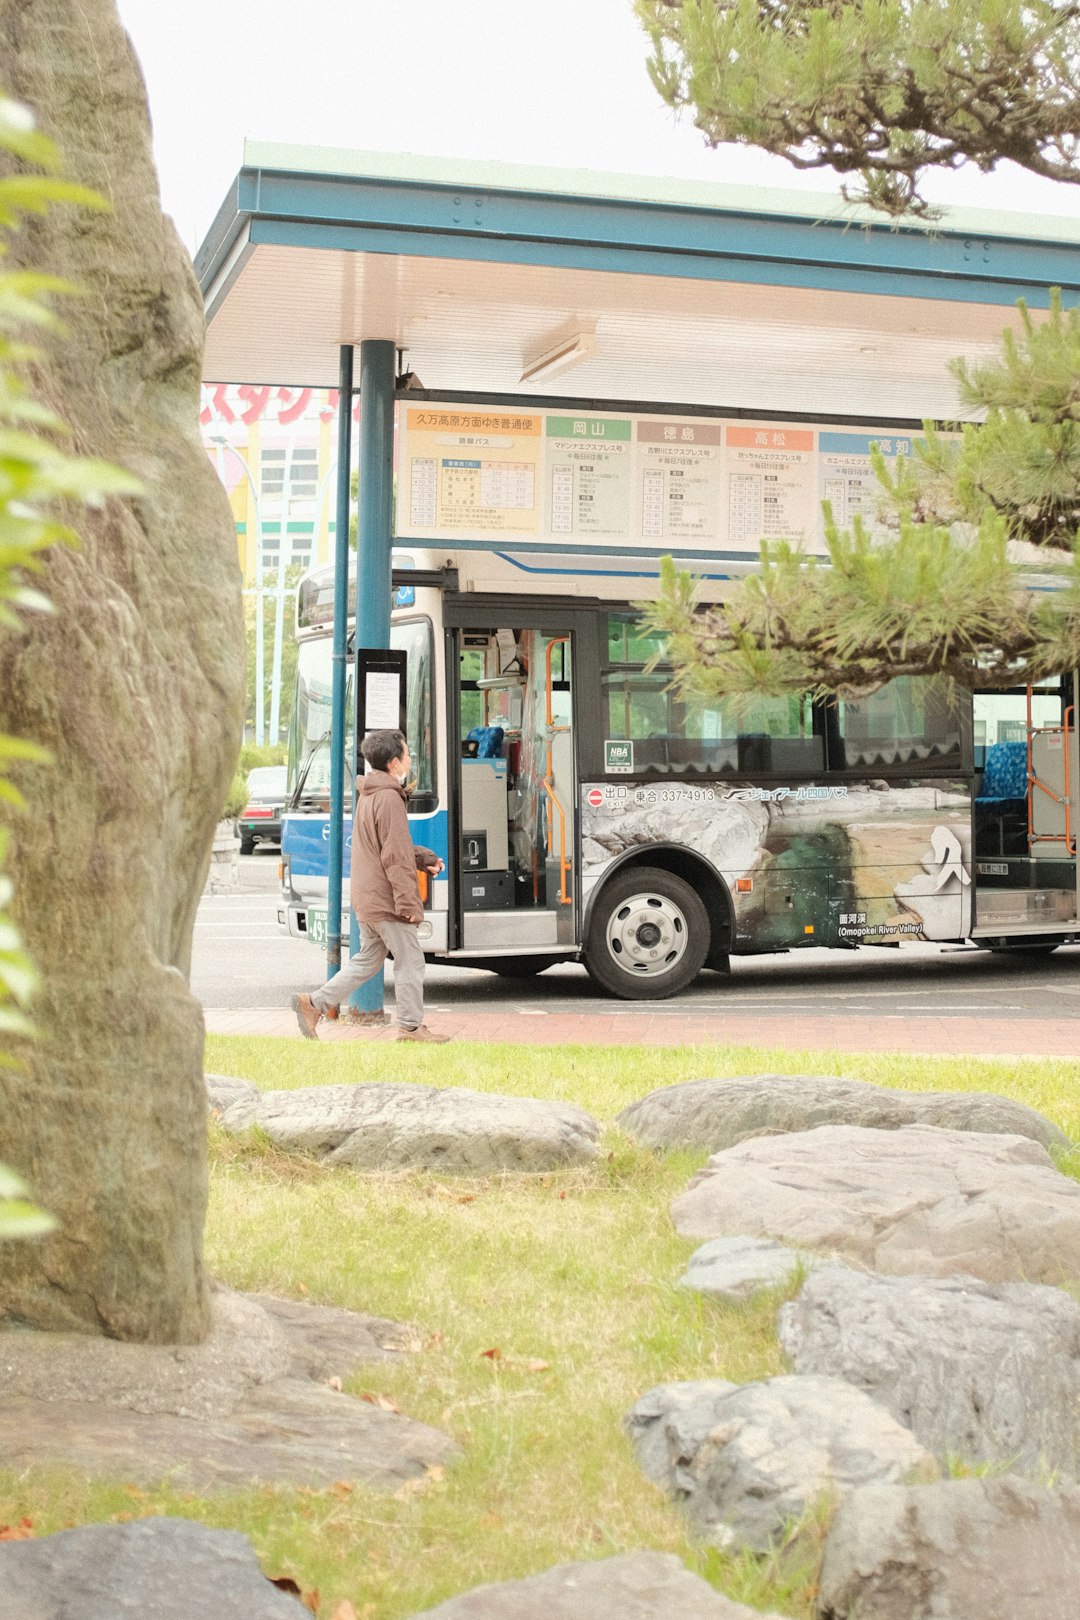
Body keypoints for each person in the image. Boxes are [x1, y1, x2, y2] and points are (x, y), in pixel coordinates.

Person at [291, 728, 448, 1043]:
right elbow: (393, 856)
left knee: (367, 960)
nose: (409, 759)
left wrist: (424, 857)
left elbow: (389, 847)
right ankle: (411, 1028)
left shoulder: (370, 793)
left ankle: (313, 1004)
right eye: (406, 754)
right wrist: (408, 904)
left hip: (367, 896)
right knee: (411, 960)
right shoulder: (389, 797)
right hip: (385, 899)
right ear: (393, 763)